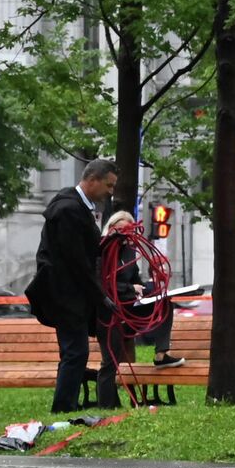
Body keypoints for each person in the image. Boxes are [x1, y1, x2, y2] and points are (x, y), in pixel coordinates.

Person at [25, 159, 118, 412]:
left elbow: (81, 253)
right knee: (75, 352)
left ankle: (66, 404)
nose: (110, 192)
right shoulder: (69, 210)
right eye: (108, 185)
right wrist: (100, 297)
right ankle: (64, 407)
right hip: (66, 295)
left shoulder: (73, 207)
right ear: (93, 180)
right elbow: (76, 261)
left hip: (67, 294)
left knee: (73, 352)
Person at [101, 211, 186, 370]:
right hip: (112, 311)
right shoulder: (102, 251)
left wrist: (148, 289)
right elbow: (103, 284)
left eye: (128, 231)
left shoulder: (129, 251)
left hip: (130, 306)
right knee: (109, 363)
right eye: (120, 231)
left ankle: (161, 354)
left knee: (164, 302)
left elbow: (134, 278)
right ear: (111, 229)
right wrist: (130, 288)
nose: (124, 236)